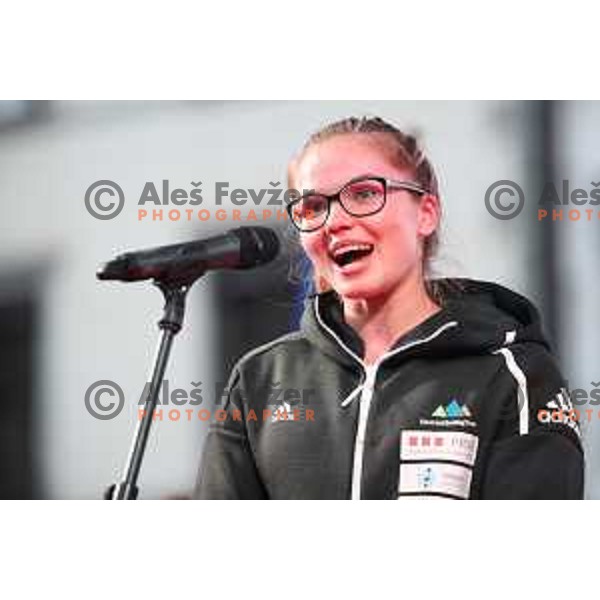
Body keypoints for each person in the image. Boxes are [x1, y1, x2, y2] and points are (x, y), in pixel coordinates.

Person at [194, 116, 584, 500]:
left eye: (364, 194)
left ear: (426, 213)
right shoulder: (258, 380)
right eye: (313, 207)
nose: (335, 222)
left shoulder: (511, 375)